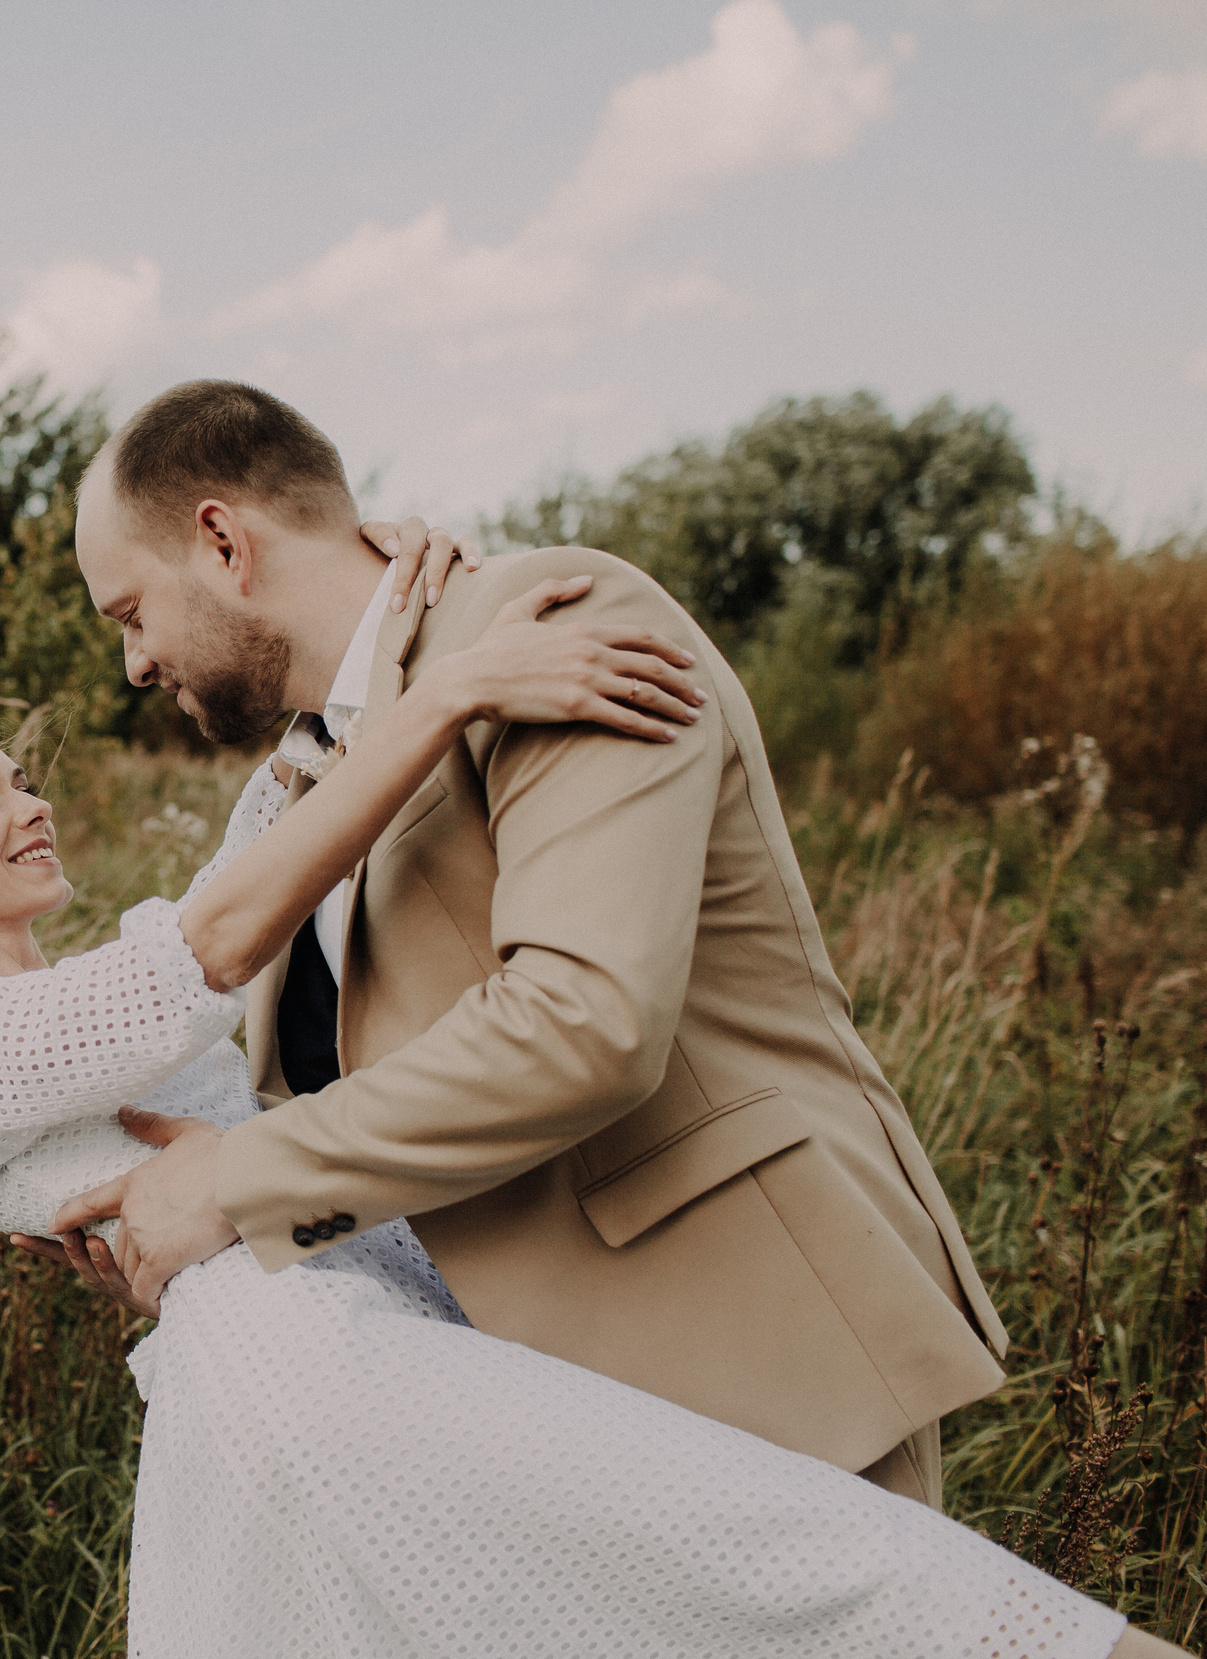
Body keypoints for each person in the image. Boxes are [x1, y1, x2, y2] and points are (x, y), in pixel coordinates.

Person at [0, 673, 1207, 1659]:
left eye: (21, 776)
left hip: (369, 1337)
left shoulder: (91, 976)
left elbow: (246, 853)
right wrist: (435, 701)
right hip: (306, 1379)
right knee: (818, 1574)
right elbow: (214, 940)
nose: (28, 801)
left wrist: (369, 663)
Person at [52, 379, 993, 1509]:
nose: (134, 667)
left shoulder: (556, 623)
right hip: (532, 1417)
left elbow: (586, 1023)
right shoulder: (308, 773)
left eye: (128, 616)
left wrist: (238, 1186)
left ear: (221, 541)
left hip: (744, 1355)